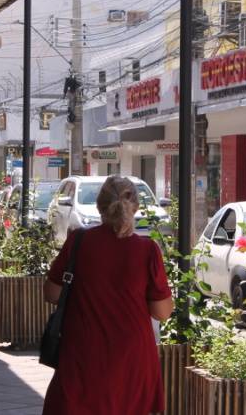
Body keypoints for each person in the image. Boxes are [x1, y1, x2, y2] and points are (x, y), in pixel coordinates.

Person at [42, 175, 173, 415]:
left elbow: (51, 293)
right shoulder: (147, 251)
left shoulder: (79, 242)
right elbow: (162, 312)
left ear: (99, 206)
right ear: (135, 207)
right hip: (132, 359)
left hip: (82, 354)